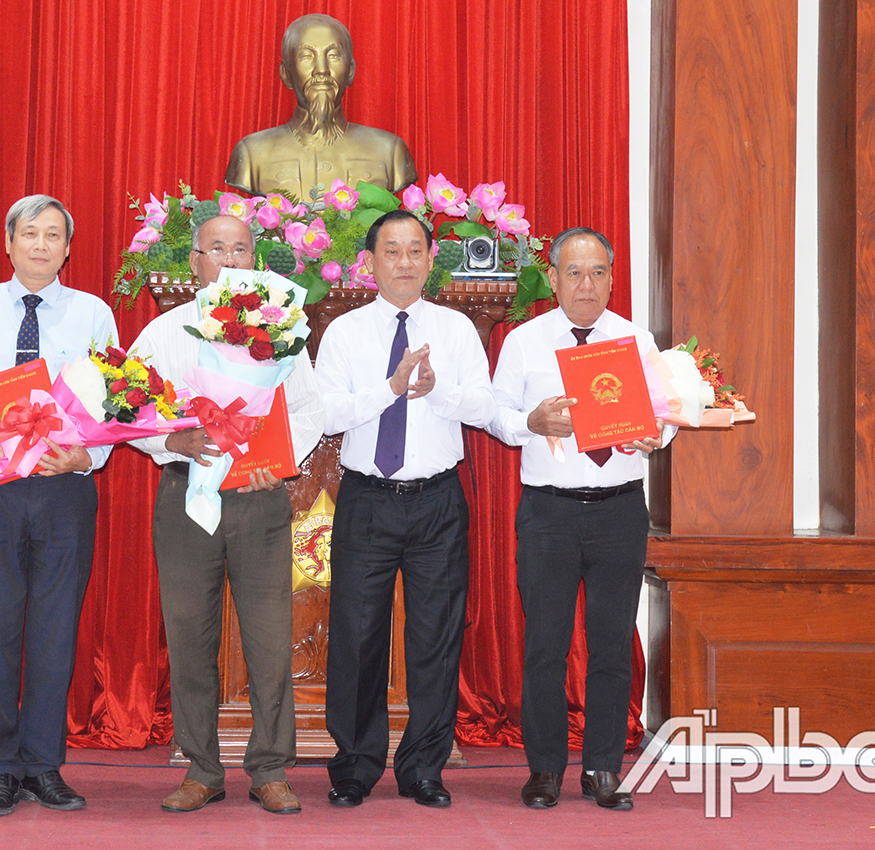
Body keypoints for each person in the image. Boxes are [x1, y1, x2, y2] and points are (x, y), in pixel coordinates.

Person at [129, 215, 324, 815]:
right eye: (218, 249)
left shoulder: (282, 332)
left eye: (242, 249)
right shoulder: (163, 333)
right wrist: (174, 442)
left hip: (259, 499)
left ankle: (269, 768)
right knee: (190, 636)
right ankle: (201, 768)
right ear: (195, 263)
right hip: (186, 499)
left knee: (269, 641)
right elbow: (128, 411)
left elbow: (309, 408)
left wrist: (285, 463)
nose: (231, 259)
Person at [0, 195, 117, 817]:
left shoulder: (93, 313)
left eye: (54, 235)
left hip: (64, 488)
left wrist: (86, 458)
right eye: (30, 233)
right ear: (8, 242)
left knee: (54, 629)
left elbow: (115, 403)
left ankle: (44, 765)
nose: (41, 245)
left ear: (69, 248)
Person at [485, 227, 673, 812]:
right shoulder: (524, 341)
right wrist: (531, 424)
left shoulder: (636, 341)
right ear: (554, 277)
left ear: (612, 278)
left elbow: (662, 419)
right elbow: (496, 415)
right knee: (546, 644)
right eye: (573, 272)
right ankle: (544, 771)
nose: (585, 284)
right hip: (549, 512)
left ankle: (602, 770)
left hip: (619, 509)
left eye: (596, 272)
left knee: (612, 645)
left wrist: (653, 437)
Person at [315, 210, 494, 808]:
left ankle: (423, 767)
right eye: (391, 251)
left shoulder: (457, 329)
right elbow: (328, 416)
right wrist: (390, 390)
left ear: (430, 259)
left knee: (435, 639)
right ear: (370, 262)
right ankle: (356, 765)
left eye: (414, 250)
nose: (403, 262)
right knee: (357, 635)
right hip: (367, 499)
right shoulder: (344, 332)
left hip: (437, 500)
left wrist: (435, 389)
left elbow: (484, 407)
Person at [225, 13, 418, 197]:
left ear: (350, 70)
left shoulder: (389, 152)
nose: (322, 70)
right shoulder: (252, 153)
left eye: (333, 55)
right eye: (307, 56)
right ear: (286, 74)